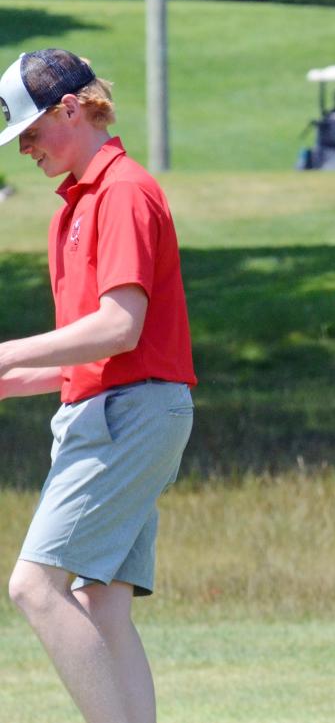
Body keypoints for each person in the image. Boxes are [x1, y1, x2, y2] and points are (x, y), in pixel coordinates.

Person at [0, 49, 196, 723]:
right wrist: (8, 378)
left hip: (129, 413)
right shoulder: (72, 208)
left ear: (71, 109)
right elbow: (82, 357)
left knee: (34, 586)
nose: (22, 147)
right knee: (102, 603)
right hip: (119, 406)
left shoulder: (123, 190)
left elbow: (119, 326)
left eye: (30, 130)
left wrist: (2, 353)